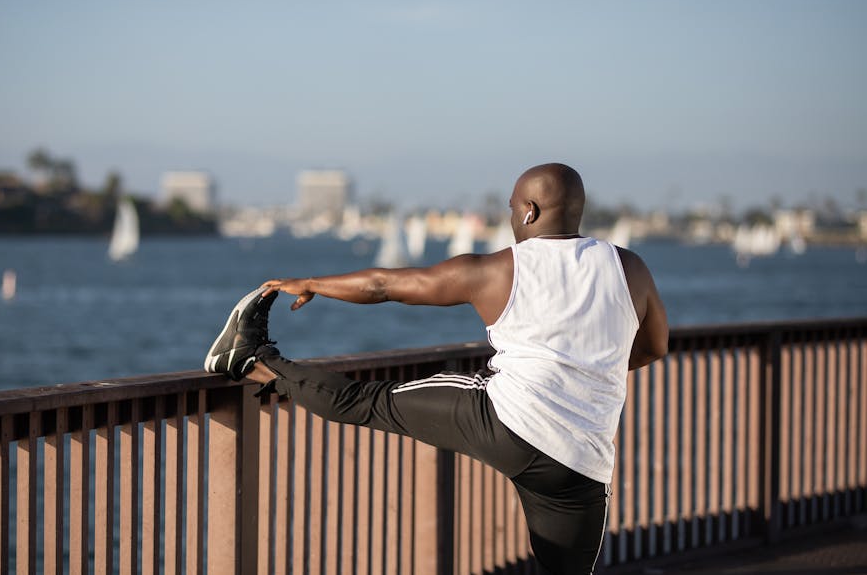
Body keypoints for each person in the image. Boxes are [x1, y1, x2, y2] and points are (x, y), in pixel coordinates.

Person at [204, 163, 668, 575]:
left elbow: (386, 285)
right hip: (580, 463)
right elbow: (654, 347)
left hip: (504, 422)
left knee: (365, 401)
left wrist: (311, 283)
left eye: (511, 209)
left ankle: (251, 359)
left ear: (529, 210)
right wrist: (587, 370)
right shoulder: (630, 268)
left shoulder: (501, 269)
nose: (510, 220)